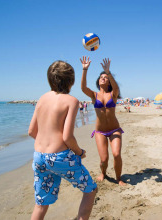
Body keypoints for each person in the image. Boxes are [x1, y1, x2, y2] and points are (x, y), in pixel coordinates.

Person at [28, 60, 97, 220]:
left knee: (41, 202)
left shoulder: (42, 98)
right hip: (59, 157)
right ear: (71, 81)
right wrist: (79, 152)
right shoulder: (71, 101)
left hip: (39, 156)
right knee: (90, 189)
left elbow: (31, 131)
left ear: (49, 79)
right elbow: (67, 137)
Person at [80, 56, 126, 186]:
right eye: (101, 77)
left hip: (114, 129)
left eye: (105, 78)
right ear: (98, 81)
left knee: (116, 154)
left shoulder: (113, 94)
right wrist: (85, 70)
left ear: (109, 82)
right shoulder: (94, 95)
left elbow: (116, 88)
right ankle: (103, 173)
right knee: (104, 159)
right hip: (100, 131)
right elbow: (83, 88)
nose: (103, 78)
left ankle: (118, 178)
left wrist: (108, 72)